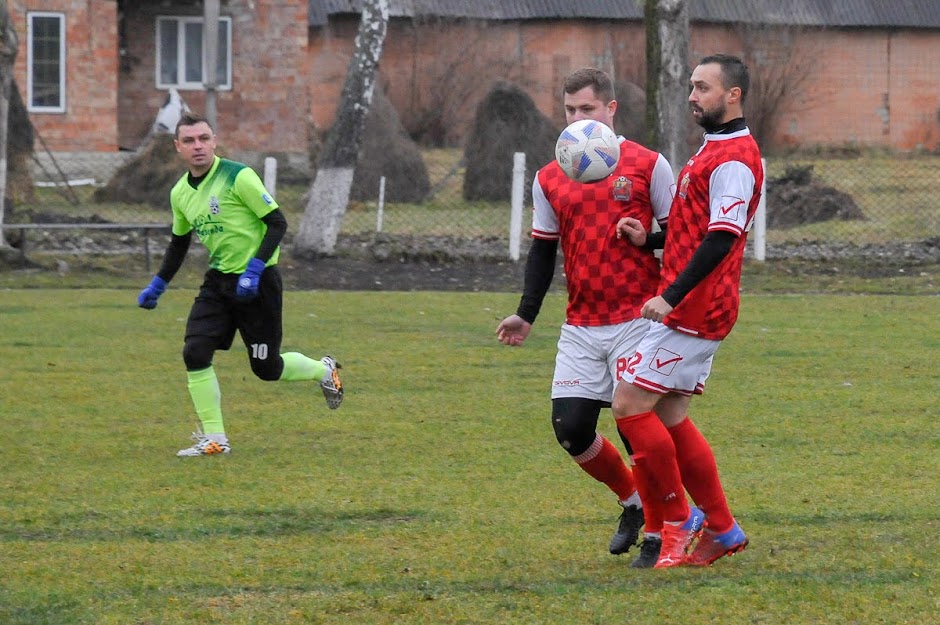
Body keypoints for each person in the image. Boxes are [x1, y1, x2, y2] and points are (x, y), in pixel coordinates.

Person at [495, 68, 682, 568]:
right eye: (570, 111)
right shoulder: (550, 175)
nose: (577, 120)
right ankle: (633, 502)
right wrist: (525, 315)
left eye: (588, 110)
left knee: (634, 428)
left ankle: (661, 534)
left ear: (611, 109)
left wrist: (649, 240)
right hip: (582, 324)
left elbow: (680, 235)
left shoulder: (647, 164)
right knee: (571, 428)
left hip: (639, 319)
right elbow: (542, 251)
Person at [610, 54, 764, 568]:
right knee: (669, 413)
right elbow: (695, 228)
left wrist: (670, 295)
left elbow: (722, 237)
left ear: (733, 94)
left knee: (629, 404)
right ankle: (722, 528)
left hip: (697, 308)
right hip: (692, 305)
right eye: (691, 87)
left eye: (702, 87)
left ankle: (679, 520)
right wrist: (649, 239)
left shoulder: (736, 160)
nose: (692, 96)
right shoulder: (714, 150)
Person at [137, 111, 344, 457]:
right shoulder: (179, 193)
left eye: (203, 138)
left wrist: (255, 268)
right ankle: (216, 440)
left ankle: (324, 369)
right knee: (195, 351)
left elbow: (277, 223)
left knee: (267, 368)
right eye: (189, 141)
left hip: (259, 284)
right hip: (218, 284)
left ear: (214, 141)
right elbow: (179, 243)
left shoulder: (238, 176)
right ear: (178, 147)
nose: (198, 146)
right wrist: (158, 283)